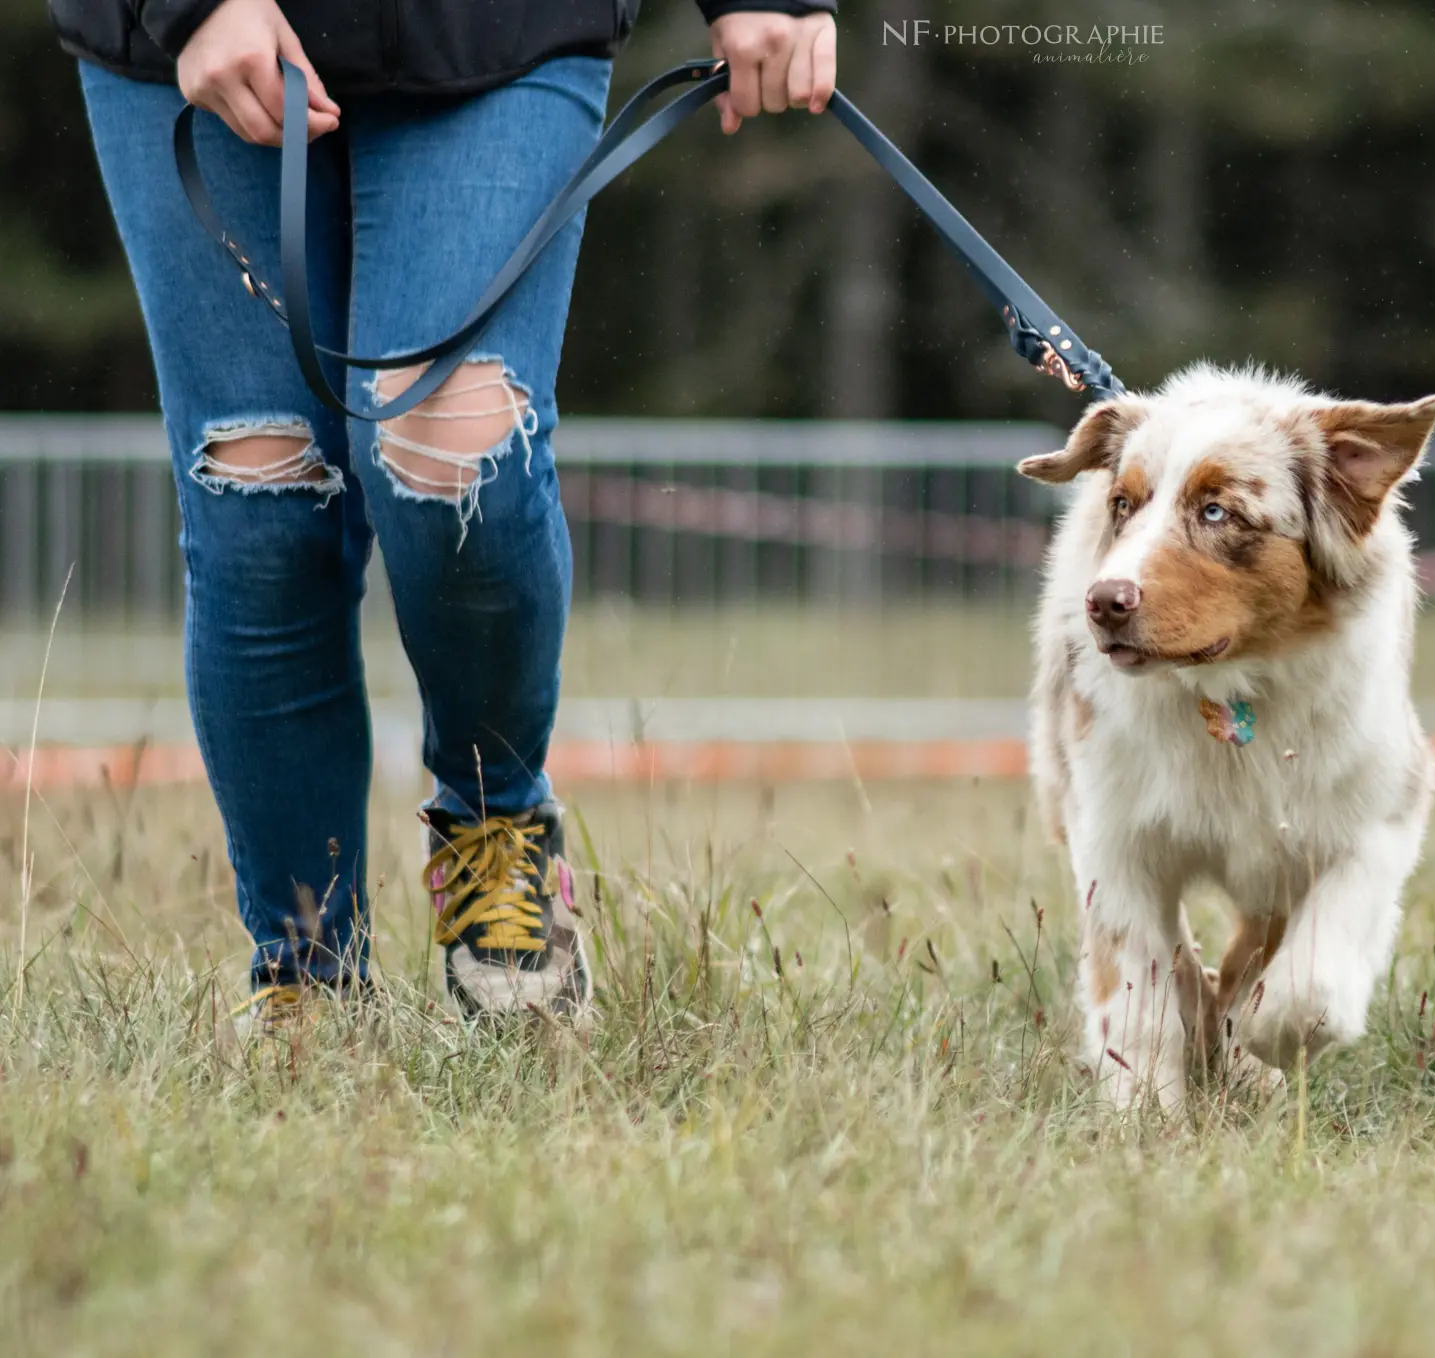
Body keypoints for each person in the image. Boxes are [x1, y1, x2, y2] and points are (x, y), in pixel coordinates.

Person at [47, 0, 840, 1026]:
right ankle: (307, 973)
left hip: (489, 34)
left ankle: (496, 833)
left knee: (454, 450)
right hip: (184, 49)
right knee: (261, 493)